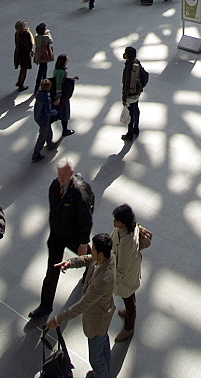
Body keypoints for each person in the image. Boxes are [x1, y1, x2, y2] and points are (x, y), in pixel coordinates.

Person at [28, 159, 95, 318]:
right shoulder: (54, 185)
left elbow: (87, 219)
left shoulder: (79, 192)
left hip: (74, 235)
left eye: (64, 175)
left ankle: (90, 273)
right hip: (57, 235)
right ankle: (45, 306)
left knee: (90, 257)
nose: (61, 178)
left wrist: (83, 241)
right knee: (52, 271)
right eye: (59, 174)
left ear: (71, 173)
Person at [45, 233, 116, 378]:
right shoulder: (108, 257)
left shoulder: (103, 280)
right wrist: (71, 263)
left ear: (101, 254)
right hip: (103, 314)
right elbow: (90, 259)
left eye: (94, 249)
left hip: (97, 320)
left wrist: (58, 319)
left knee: (96, 359)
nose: (91, 251)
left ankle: (101, 375)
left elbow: (82, 305)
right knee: (103, 345)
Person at [111, 204, 142, 342]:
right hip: (132, 269)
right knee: (129, 296)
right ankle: (129, 313)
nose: (114, 222)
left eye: (116, 220)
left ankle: (129, 327)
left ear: (123, 222)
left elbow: (122, 269)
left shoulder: (126, 241)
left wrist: (112, 279)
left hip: (127, 276)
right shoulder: (129, 227)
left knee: (128, 298)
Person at [32, 79, 59, 161]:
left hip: (38, 116)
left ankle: (50, 142)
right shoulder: (46, 99)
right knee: (42, 136)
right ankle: (36, 154)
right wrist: (55, 112)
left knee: (48, 129)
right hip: (44, 119)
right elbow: (48, 112)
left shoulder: (38, 95)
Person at [51, 53, 78, 137]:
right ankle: (65, 130)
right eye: (66, 60)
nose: (68, 61)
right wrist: (59, 97)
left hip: (58, 94)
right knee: (65, 112)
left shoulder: (56, 70)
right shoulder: (61, 72)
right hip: (61, 96)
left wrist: (71, 79)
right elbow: (59, 84)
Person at [121, 45, 145, 141]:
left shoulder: (128, 66)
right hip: (137, 91)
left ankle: (129, 134)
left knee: (130, 113)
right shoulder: (137, 62)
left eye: (125, 53)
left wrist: (124, 98)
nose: (123, 54)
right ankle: (136, 128)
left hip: (130, 93)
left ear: (128, 55)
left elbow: (126, 83)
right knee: (136, 109)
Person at [34, 21, 54, 91]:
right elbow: (51, 41)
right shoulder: (46, 37)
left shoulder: (36, 37)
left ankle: (43, 82)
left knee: (43, 68)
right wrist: (48, 33)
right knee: (42, 71)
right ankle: (39, 86)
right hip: (45, 55)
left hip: (39, 54)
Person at [13, 19, 33, 91]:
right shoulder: (26, 34)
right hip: (24, 54)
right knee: (24, 69)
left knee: (22, 68)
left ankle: (19, 82)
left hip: (19, 53)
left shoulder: (17, 33)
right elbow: (30, 44)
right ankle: (21, 84)